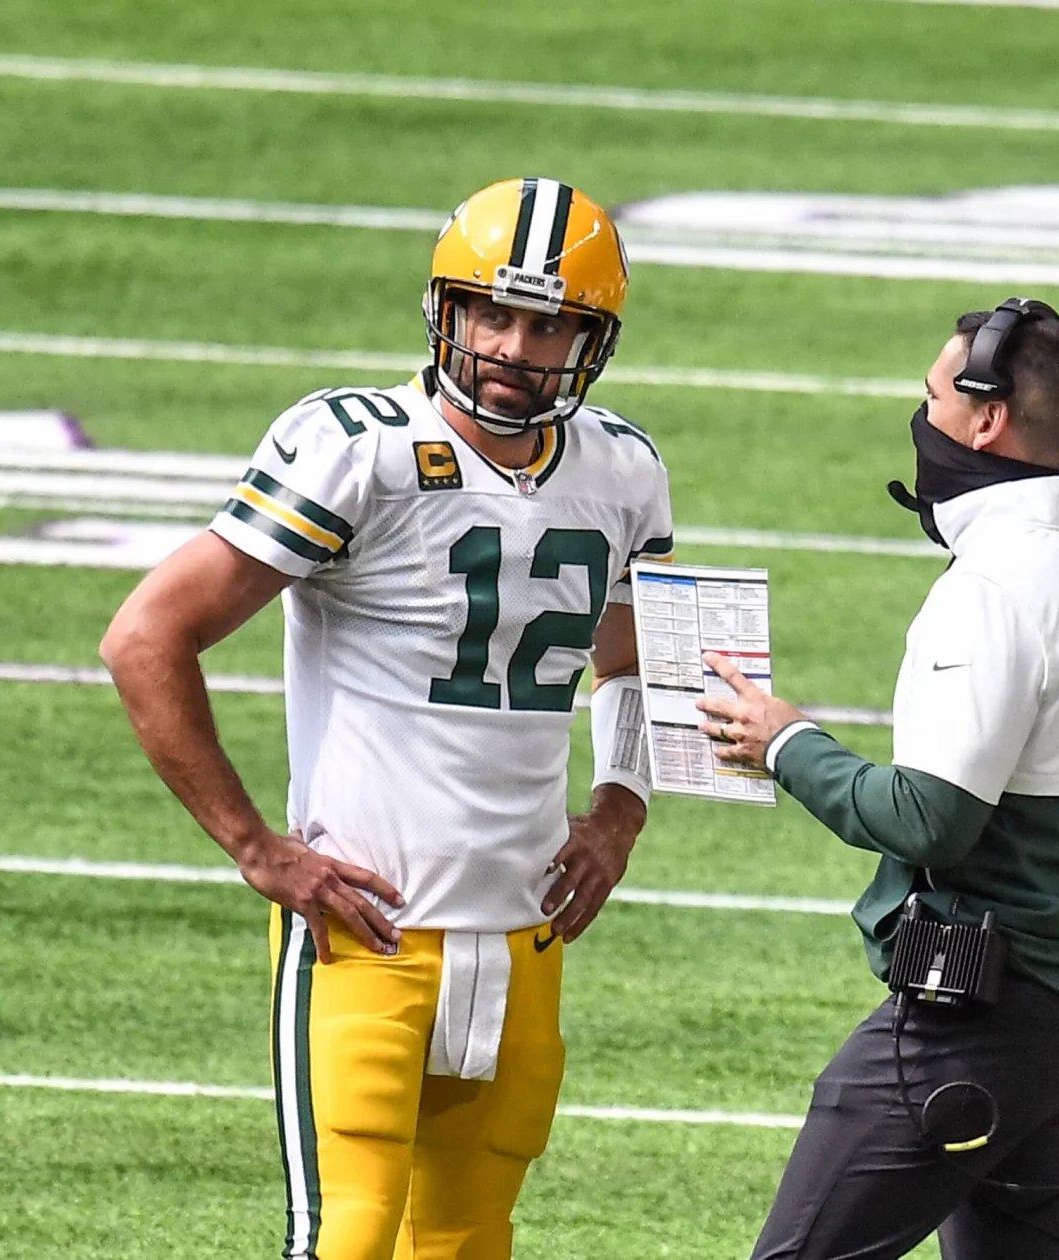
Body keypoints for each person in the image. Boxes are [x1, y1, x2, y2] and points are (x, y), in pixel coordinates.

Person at [99, 177, 673, 1260]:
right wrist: (255, 847)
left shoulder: (624, 469)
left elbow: (635, 661)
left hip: (525, 931)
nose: (510, 347)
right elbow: (144, 638)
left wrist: (620, 810)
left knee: (469, 1244)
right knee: (346, 1243)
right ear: (445, 308)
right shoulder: (356, 447)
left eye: (547, 325)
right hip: (367, 932)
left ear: (591, 341)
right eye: (490, 313)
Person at [696, 299, 1059, 1260]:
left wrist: (788, 744)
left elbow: (928, 820)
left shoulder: (989, 590)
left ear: (987, 419)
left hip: (974, 1021)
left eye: (932, 397)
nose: (921, 419)